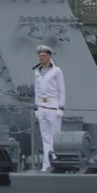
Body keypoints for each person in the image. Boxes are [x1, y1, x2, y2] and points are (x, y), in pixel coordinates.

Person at [33, 44, 65, 172]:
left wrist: (61, 107)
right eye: (40, 55)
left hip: (53, 106)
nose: (41, 57)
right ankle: (46, 164)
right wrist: (36, 107)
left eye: (44, 55)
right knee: (45, 138)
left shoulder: (57, 71)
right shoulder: (37, 72)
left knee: (54, 137)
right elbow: (36, 90)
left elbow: (61, 90)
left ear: (49, 56)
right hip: (41, 107)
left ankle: (55, 162)